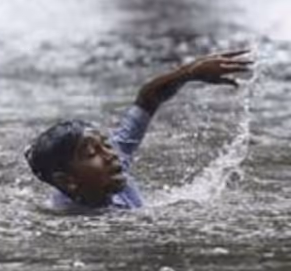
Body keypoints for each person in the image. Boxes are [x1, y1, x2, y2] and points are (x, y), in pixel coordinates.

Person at [26, 50, 253, 213]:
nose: (111, 153)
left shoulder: (112, 163)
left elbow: (147, 98)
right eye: (91, 153)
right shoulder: (68, 225)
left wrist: (189, 73)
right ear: (67, 181)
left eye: (105, 144)